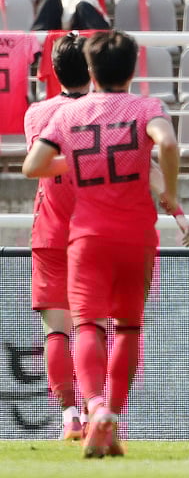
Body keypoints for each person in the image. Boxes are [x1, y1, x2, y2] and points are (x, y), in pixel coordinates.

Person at [22, 30, 181, 458]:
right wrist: (173, 194)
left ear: (90, 71)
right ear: (132, 69)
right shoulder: (146, 108)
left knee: (80, 326)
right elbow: (167, 144)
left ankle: (84, 409)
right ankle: (111, 412)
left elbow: (33, 165)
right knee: (127, 327)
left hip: (78, 232)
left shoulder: (54, 114)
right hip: (134, 233)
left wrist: (80, 160)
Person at [23, 32, 90, 442]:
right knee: (93, 328)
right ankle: (99, 409)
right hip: (93, 229)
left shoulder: (36, 113)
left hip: (50, 228)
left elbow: (39, 163)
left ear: (54, 70)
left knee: (56, 331)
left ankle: (70, 417)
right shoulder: (106, 113)